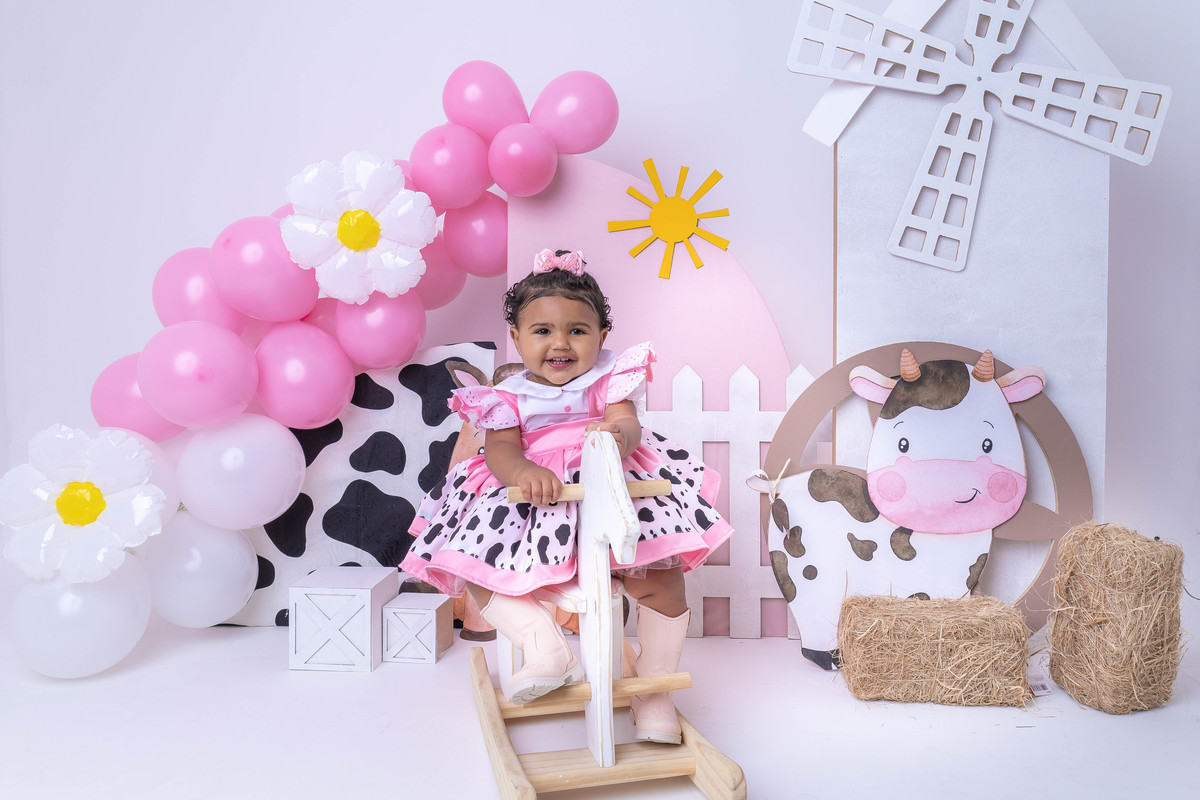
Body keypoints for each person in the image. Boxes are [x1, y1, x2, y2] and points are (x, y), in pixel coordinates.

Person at [400, 248, 732, 745]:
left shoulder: (609, 380)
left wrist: (619, 438)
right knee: (472, 564)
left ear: (601, 336)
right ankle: (544, 646)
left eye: (577, 330)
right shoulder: (507, 398)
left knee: (662, 579)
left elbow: (626, 423)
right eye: (542, 331)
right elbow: (500, 451)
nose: (561, 343)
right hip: (536, 506)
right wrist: (522, 470)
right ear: (517, 338)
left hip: (609, 489)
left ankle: (654, 691)